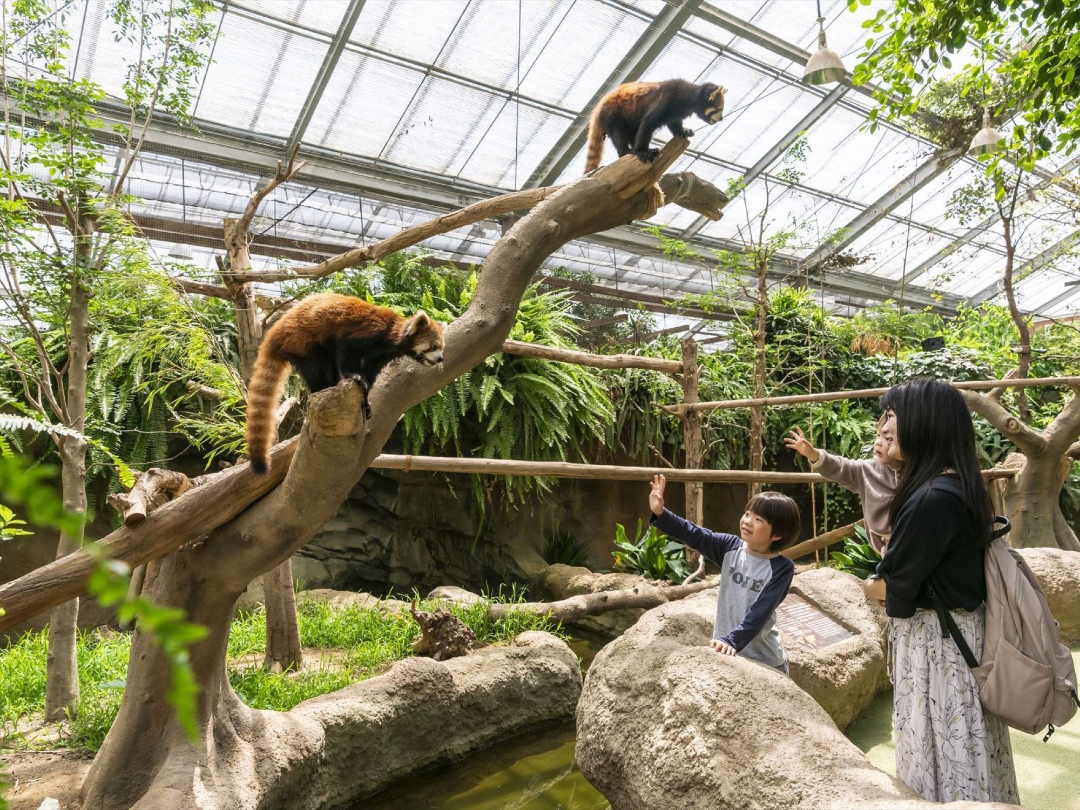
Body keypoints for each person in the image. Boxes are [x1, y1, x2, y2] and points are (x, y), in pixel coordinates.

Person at [863, 378, 1019, 804]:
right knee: (968, 745)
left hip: (938, 647)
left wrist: (867, 586)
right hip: (960, 637)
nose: (883, 425)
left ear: (924, 421)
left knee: (939, 747)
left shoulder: (930, 497)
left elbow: (896, 590)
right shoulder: (957, 485)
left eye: (892, 415)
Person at [648, 474, 800, 674]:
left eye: (758, 519)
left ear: (777, 534)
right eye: (747, 514)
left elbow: (760, 613)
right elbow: (693, 533)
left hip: (765, 660)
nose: (748, 521)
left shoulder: (782, 568)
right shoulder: (730, 547)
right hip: (726, 650)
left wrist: (732, 640)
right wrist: (660, 512)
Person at [784, 416, 899, 553]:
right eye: (878, 435)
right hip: (887, 551)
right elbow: (841, 467)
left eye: (888, 439)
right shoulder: (868, 470)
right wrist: (813, 454)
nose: (878, 442)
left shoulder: (919, 473)